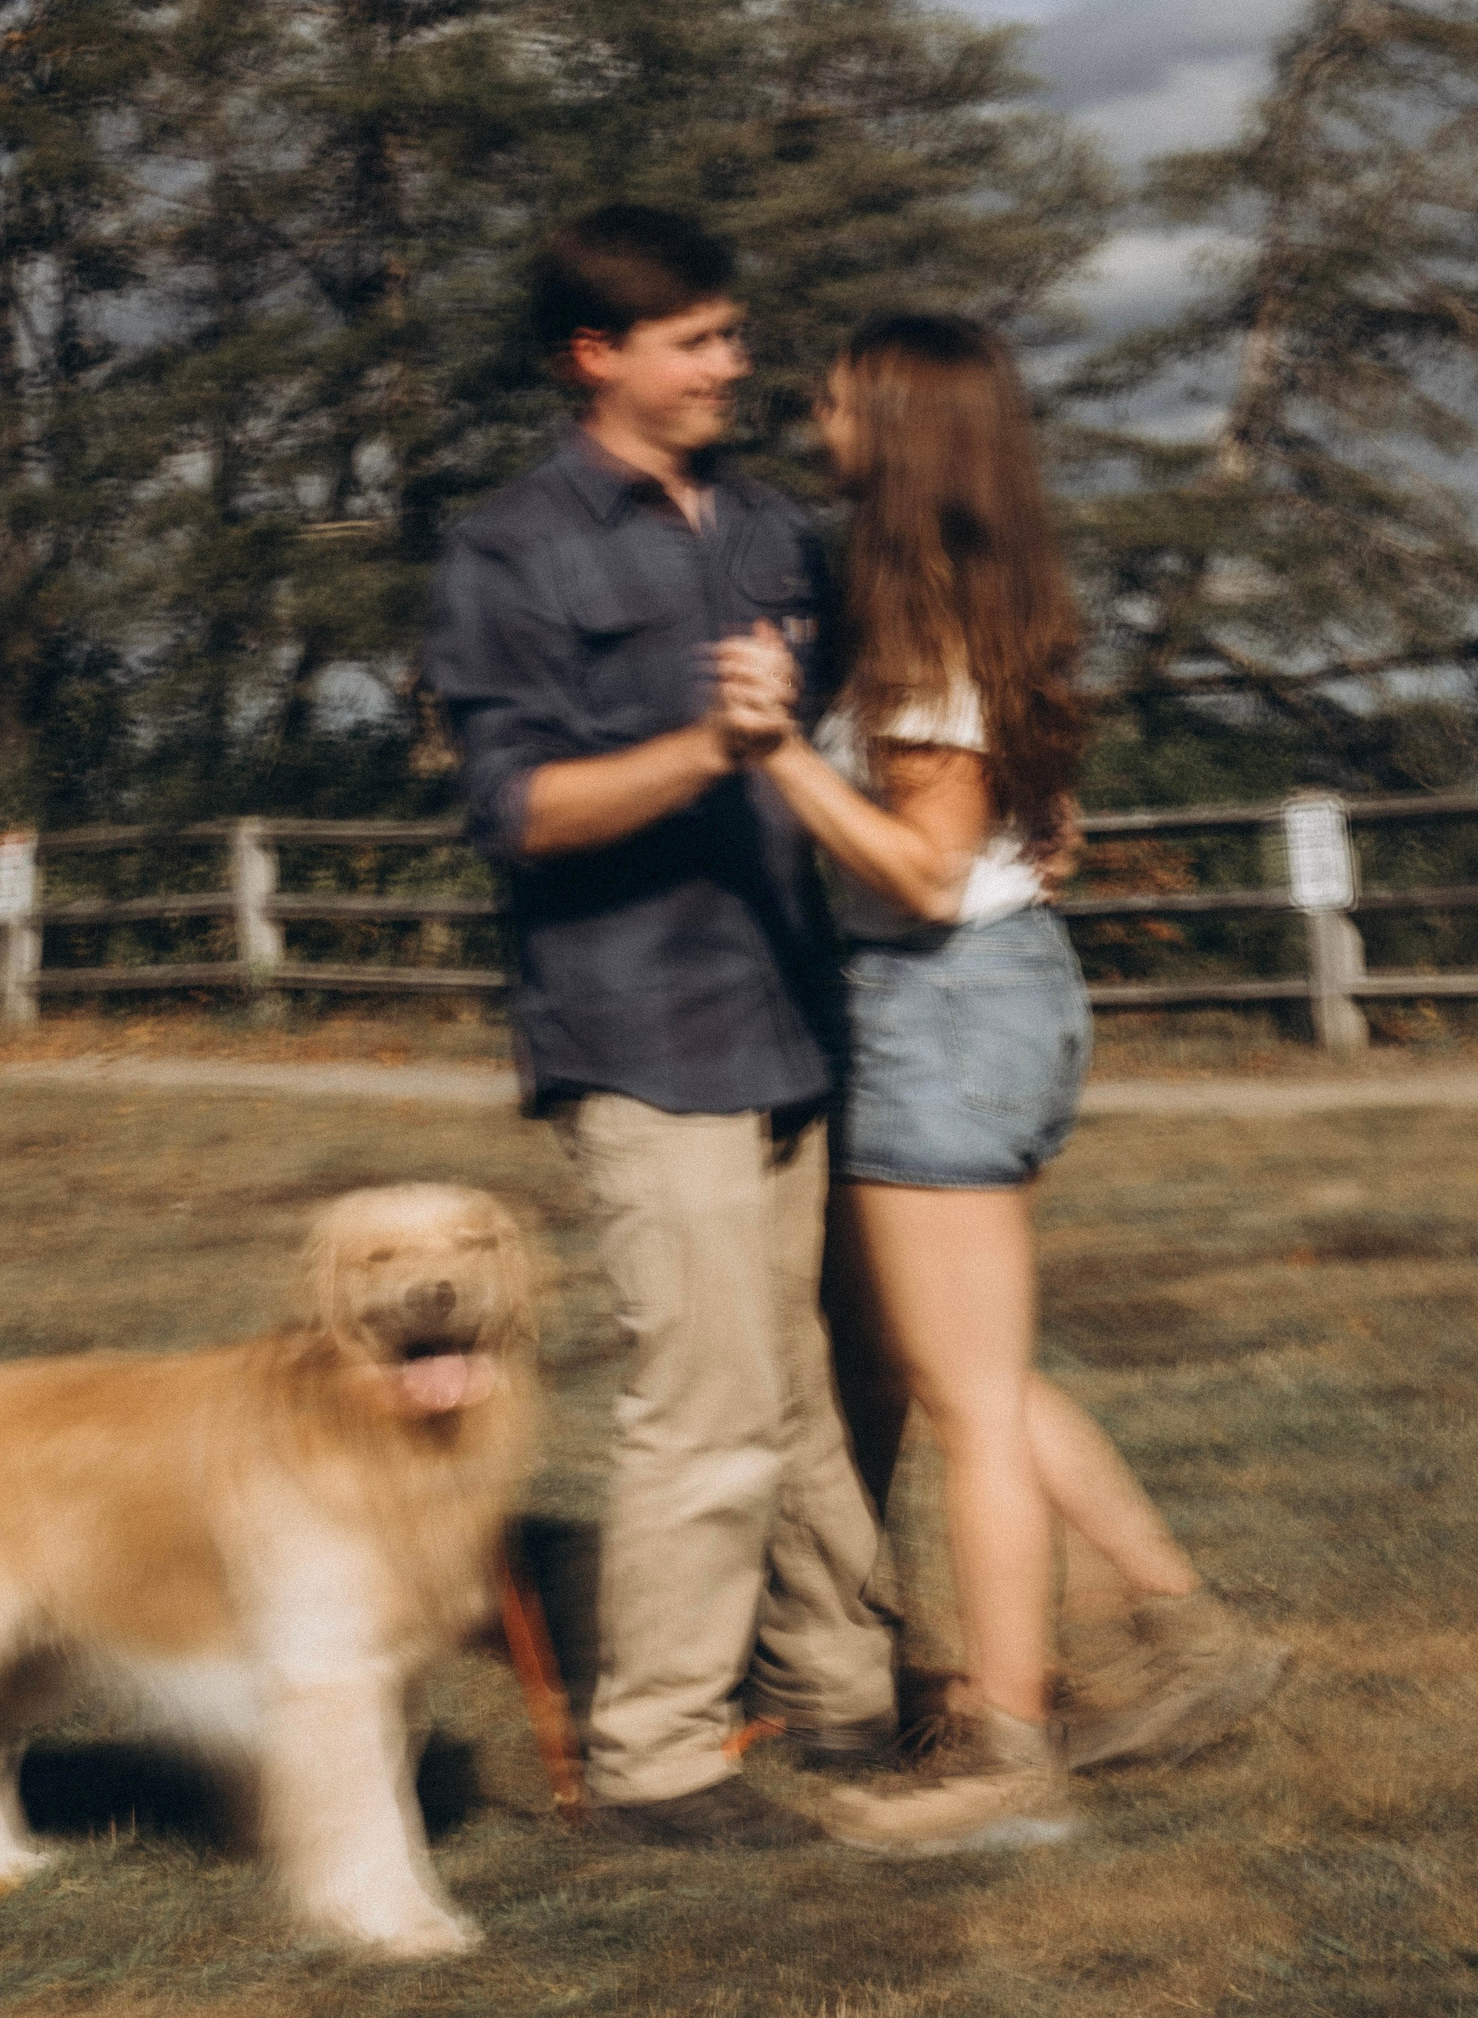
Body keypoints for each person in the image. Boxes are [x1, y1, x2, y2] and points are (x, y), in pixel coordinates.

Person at [712, 312, 1287, 1856]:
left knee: (964, 1404)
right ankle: (1182, 1631)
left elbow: (917, 864)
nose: (811, 412)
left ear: (890, 425)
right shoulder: (968, 599)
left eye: (832, 396)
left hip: (943, 1006)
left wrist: (773, 751)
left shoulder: (922, 629)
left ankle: (1010, 1752)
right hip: (998, 993)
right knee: (988, 1375)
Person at [421, 205, 894, 1849]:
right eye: (696, 340)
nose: (731, 364)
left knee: (808, 1385)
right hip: (641, 1024)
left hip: (792, 1011)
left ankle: (845, 1697)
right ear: (594, 358)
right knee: (699, 1399)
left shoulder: (772, 529)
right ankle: (660, 1760)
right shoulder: (510, 549)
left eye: (733, 333)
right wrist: (709, 748)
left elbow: (849, 729)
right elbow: (520, 809)